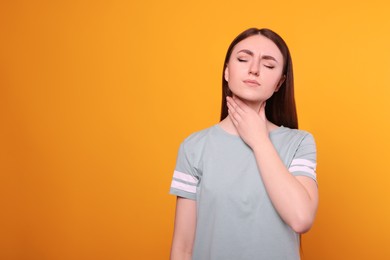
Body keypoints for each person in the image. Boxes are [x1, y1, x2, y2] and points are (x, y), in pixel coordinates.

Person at [169, 28, 318, 260]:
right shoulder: (194, 147)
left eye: (268, 65)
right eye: (242, 59)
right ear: (227, 71)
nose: (254, 69)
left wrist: (259, 141)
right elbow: (183, 249)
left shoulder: (299, 143)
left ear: (279, 83)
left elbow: (301, 218)